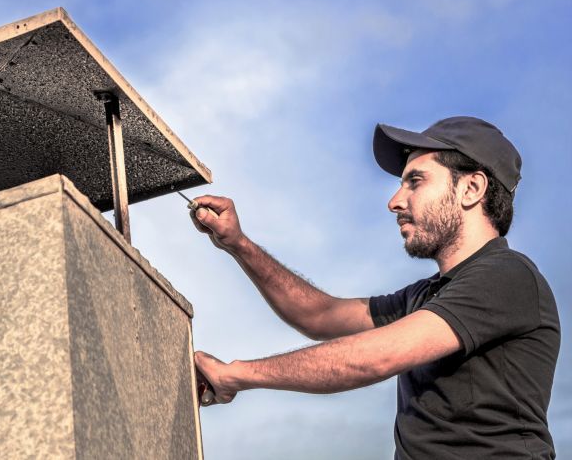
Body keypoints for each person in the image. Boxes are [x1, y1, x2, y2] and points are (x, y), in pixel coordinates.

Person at [190, 116, 560, 459]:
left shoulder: (507, 277)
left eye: (415, 181)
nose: (395, 201)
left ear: (471, 188)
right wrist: (238, 243)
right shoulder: (425, 297)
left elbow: (373, 357)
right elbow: (319, 315)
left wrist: (238, 374)